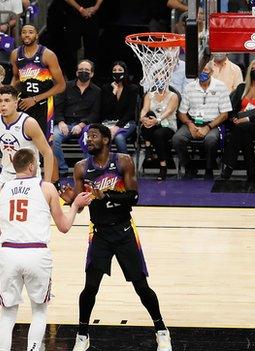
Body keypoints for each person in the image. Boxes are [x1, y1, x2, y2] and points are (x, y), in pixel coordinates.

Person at [69, 123, 172, 351]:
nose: (89, 140)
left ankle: (162, 331)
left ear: (106, 139)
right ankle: (82, 335)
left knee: (141, 286)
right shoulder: (80, 168)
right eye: (87, 137)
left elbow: (134, 197)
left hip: (124, 230)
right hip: (99, 233)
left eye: (93, 136)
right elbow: (77, 206)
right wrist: (72, 200)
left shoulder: (123, 160)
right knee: (90, 287)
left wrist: (106, 195)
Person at [0, 148, 92, 351]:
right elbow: (64, 227)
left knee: (8, 313)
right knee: (39, 311)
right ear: (31, 165)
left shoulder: (0, 189)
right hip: (36, 253)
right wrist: (74, 206)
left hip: (8, 253)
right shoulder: (46, 188)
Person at [0, 85, 56, 294]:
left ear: (17, 101)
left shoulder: (29, 123)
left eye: (7, 100)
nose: (2, 105)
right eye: (0, 101)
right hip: (7, 178)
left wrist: (45, 184)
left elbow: (47, 152)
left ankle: (44, 277)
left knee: (33, 230)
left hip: (30, 180)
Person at [172, 62, 232, 180]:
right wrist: (190, 124)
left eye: (205, 70)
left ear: (212, 72)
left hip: (213, 123)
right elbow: (182, 112)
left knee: (210, 140)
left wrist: (208, 127)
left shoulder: (220, 86)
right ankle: (189, 168)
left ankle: (209, 169)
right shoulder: (190, 87)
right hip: (193, 122)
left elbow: (225, 114)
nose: (203, 72)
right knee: (177, 139)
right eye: (200, 70)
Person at [11, 24, 66, 138]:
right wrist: (11, 96)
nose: (27, 35)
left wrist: (35, 99)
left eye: (30, 32)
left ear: (36, 35)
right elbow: (16, 78)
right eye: (24, 32)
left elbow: (61, 86)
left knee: (45, 145)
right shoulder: (15, 54)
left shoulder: (47, 55)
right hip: (23, 103)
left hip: (43, 105)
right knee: (23, 143)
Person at [52, 59, 102, 178]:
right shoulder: (66, 86)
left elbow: (95, 114)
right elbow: (58, 107)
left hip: (85, 125)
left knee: (89, 138)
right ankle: (62, 169)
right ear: (76, 72)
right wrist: (61, 122)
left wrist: (81, 125)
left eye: (86, 70)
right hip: (66, 124)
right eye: (81, 70)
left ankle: (86, 169)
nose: (83, 72)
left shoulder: (97, 91)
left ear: (92, 74)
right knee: (53, 137)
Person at [221, 59, 255, 182]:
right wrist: (234, 117)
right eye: (253, 69)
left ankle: (228, 165)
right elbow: (233, 107)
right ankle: (251, 172)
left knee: (241, 128)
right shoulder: (242, 87)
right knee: (244, 134)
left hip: (254, 123)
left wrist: (246, 118)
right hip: (241, 125)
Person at [139, 82, 179, 180]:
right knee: (148, 118)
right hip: (151, 124)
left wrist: (157, 120)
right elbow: (145, 109)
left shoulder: (173, 96)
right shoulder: (149, 95)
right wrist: (142, 118)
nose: (160, 81)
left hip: (168, 125)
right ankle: (150, 152)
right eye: (157, 78)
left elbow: (169, 110)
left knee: (158, 134)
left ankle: (162, 165)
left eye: (162, 78)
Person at [99, 61, 139, 154]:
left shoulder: (133, 88)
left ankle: (126, 164)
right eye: (114, 70)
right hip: (108, 122)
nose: (117, 72)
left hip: (127, 122)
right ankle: (106, 164)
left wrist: (117, 127)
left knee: (119, 137)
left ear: (125, 72)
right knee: (103, 138)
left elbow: (131, 112)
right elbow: (105, 110)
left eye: (120, 70)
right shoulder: (106, 88)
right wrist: (114, 92)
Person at [62, 0, 102, 77]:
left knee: (92, 49)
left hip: (92, 15)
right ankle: (72, 78)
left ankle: (90, 76)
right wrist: (81, 10)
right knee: (72, 49)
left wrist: (96, 7)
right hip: (73, 16)